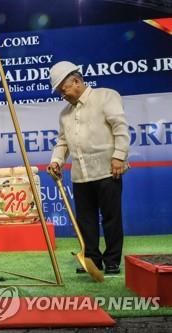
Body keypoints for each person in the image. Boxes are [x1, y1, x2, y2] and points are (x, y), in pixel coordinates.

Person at [47, 61, 130, 275]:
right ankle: (92, 259)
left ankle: (112, 261)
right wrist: (56, 161)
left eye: (62, 90)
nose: (62, 95)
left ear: (76, 81)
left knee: (111, 218)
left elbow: (120, 127)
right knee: (85, 221)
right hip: (80, 176)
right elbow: (62, 142)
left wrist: (119, 156)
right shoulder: (65, 113)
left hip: (108, 170)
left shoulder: (106, 96)